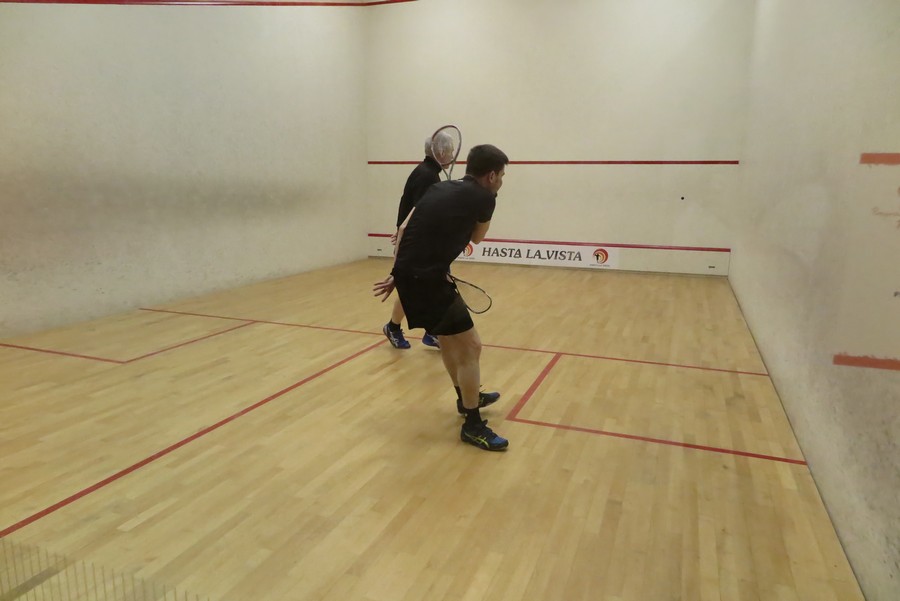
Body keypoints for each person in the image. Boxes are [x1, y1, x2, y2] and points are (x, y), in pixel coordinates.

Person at [373, 144, 510, 451]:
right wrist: (490, 201)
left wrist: (398, 272)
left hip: (414, 275)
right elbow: (477, 238)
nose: (501, 181)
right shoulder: (485, 197)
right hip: (427, 280)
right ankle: (473, 425)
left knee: (449, 341)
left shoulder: (440, 188)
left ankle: (466, 398)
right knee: (471, 346)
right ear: (491, 176)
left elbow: (405, 227)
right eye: (501, 176)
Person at [381, 132, 454, 350]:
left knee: (431, 289)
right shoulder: (427, 176)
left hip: (423, 244)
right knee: (414, 290)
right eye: (450, 151)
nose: (453, 156)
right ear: (440, 152)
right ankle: (394, 327)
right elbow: (419, 213)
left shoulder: (427, 172)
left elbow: (412, 208)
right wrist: (403, 234)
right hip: (419, 246)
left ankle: (431, 332)